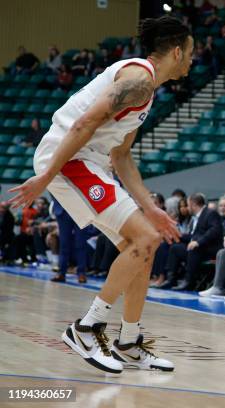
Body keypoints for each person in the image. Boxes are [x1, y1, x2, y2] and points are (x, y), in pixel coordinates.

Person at [9, 15, 193, 374]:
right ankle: (86, 328)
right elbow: (83, 124)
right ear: (175, 51)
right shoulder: (138, 80)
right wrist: (46, 176)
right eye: (190, 53)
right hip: (69, 158)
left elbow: (121, 157)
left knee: (142, 246)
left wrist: (150, 208)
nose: (191, 60)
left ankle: (129, 341)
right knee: (145, 238)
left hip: (89, 162)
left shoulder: (146, 90)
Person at [165, 193, 223, 291]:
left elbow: (214, 231)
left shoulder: (210, 213)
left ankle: (189, 281)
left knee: (194, 248)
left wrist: (198, 242)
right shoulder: (197, 216)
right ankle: (171, 279)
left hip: (211, 249)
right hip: (200, 249)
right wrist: (177, 235)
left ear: (193, 204)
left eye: (188, 205)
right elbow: (193, 236)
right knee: (175, 248)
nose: (187, 208)